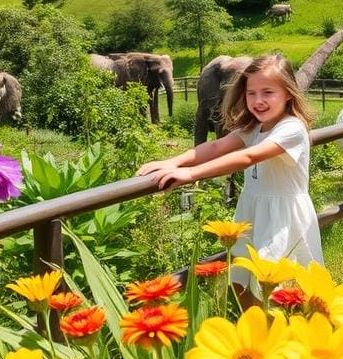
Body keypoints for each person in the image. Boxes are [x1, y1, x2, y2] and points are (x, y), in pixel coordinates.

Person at [137, 53, 323, 307]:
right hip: (253, 213)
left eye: (268, 92)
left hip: (282, 218)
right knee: (239, 282)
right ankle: (258, 334)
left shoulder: (291, 128)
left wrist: (191, 174)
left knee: (278, 290)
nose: (258, 101)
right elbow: (215, 147)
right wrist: (173, 162)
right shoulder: (254, 128)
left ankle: (283, 340)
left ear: (288, 93)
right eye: (251, 93)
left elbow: (248, 157)